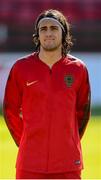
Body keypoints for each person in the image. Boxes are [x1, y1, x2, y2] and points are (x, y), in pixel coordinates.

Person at [3, 9, 91, 179]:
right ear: (37, 35)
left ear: (63, 33)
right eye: (43, 29)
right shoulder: (20, 68)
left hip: (68, 164)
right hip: (29, 164)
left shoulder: (78, 69)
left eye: (54, 28)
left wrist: (67, 141)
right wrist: (28, 142)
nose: (48, 33)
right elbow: (10, 111)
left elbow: (83, 112)